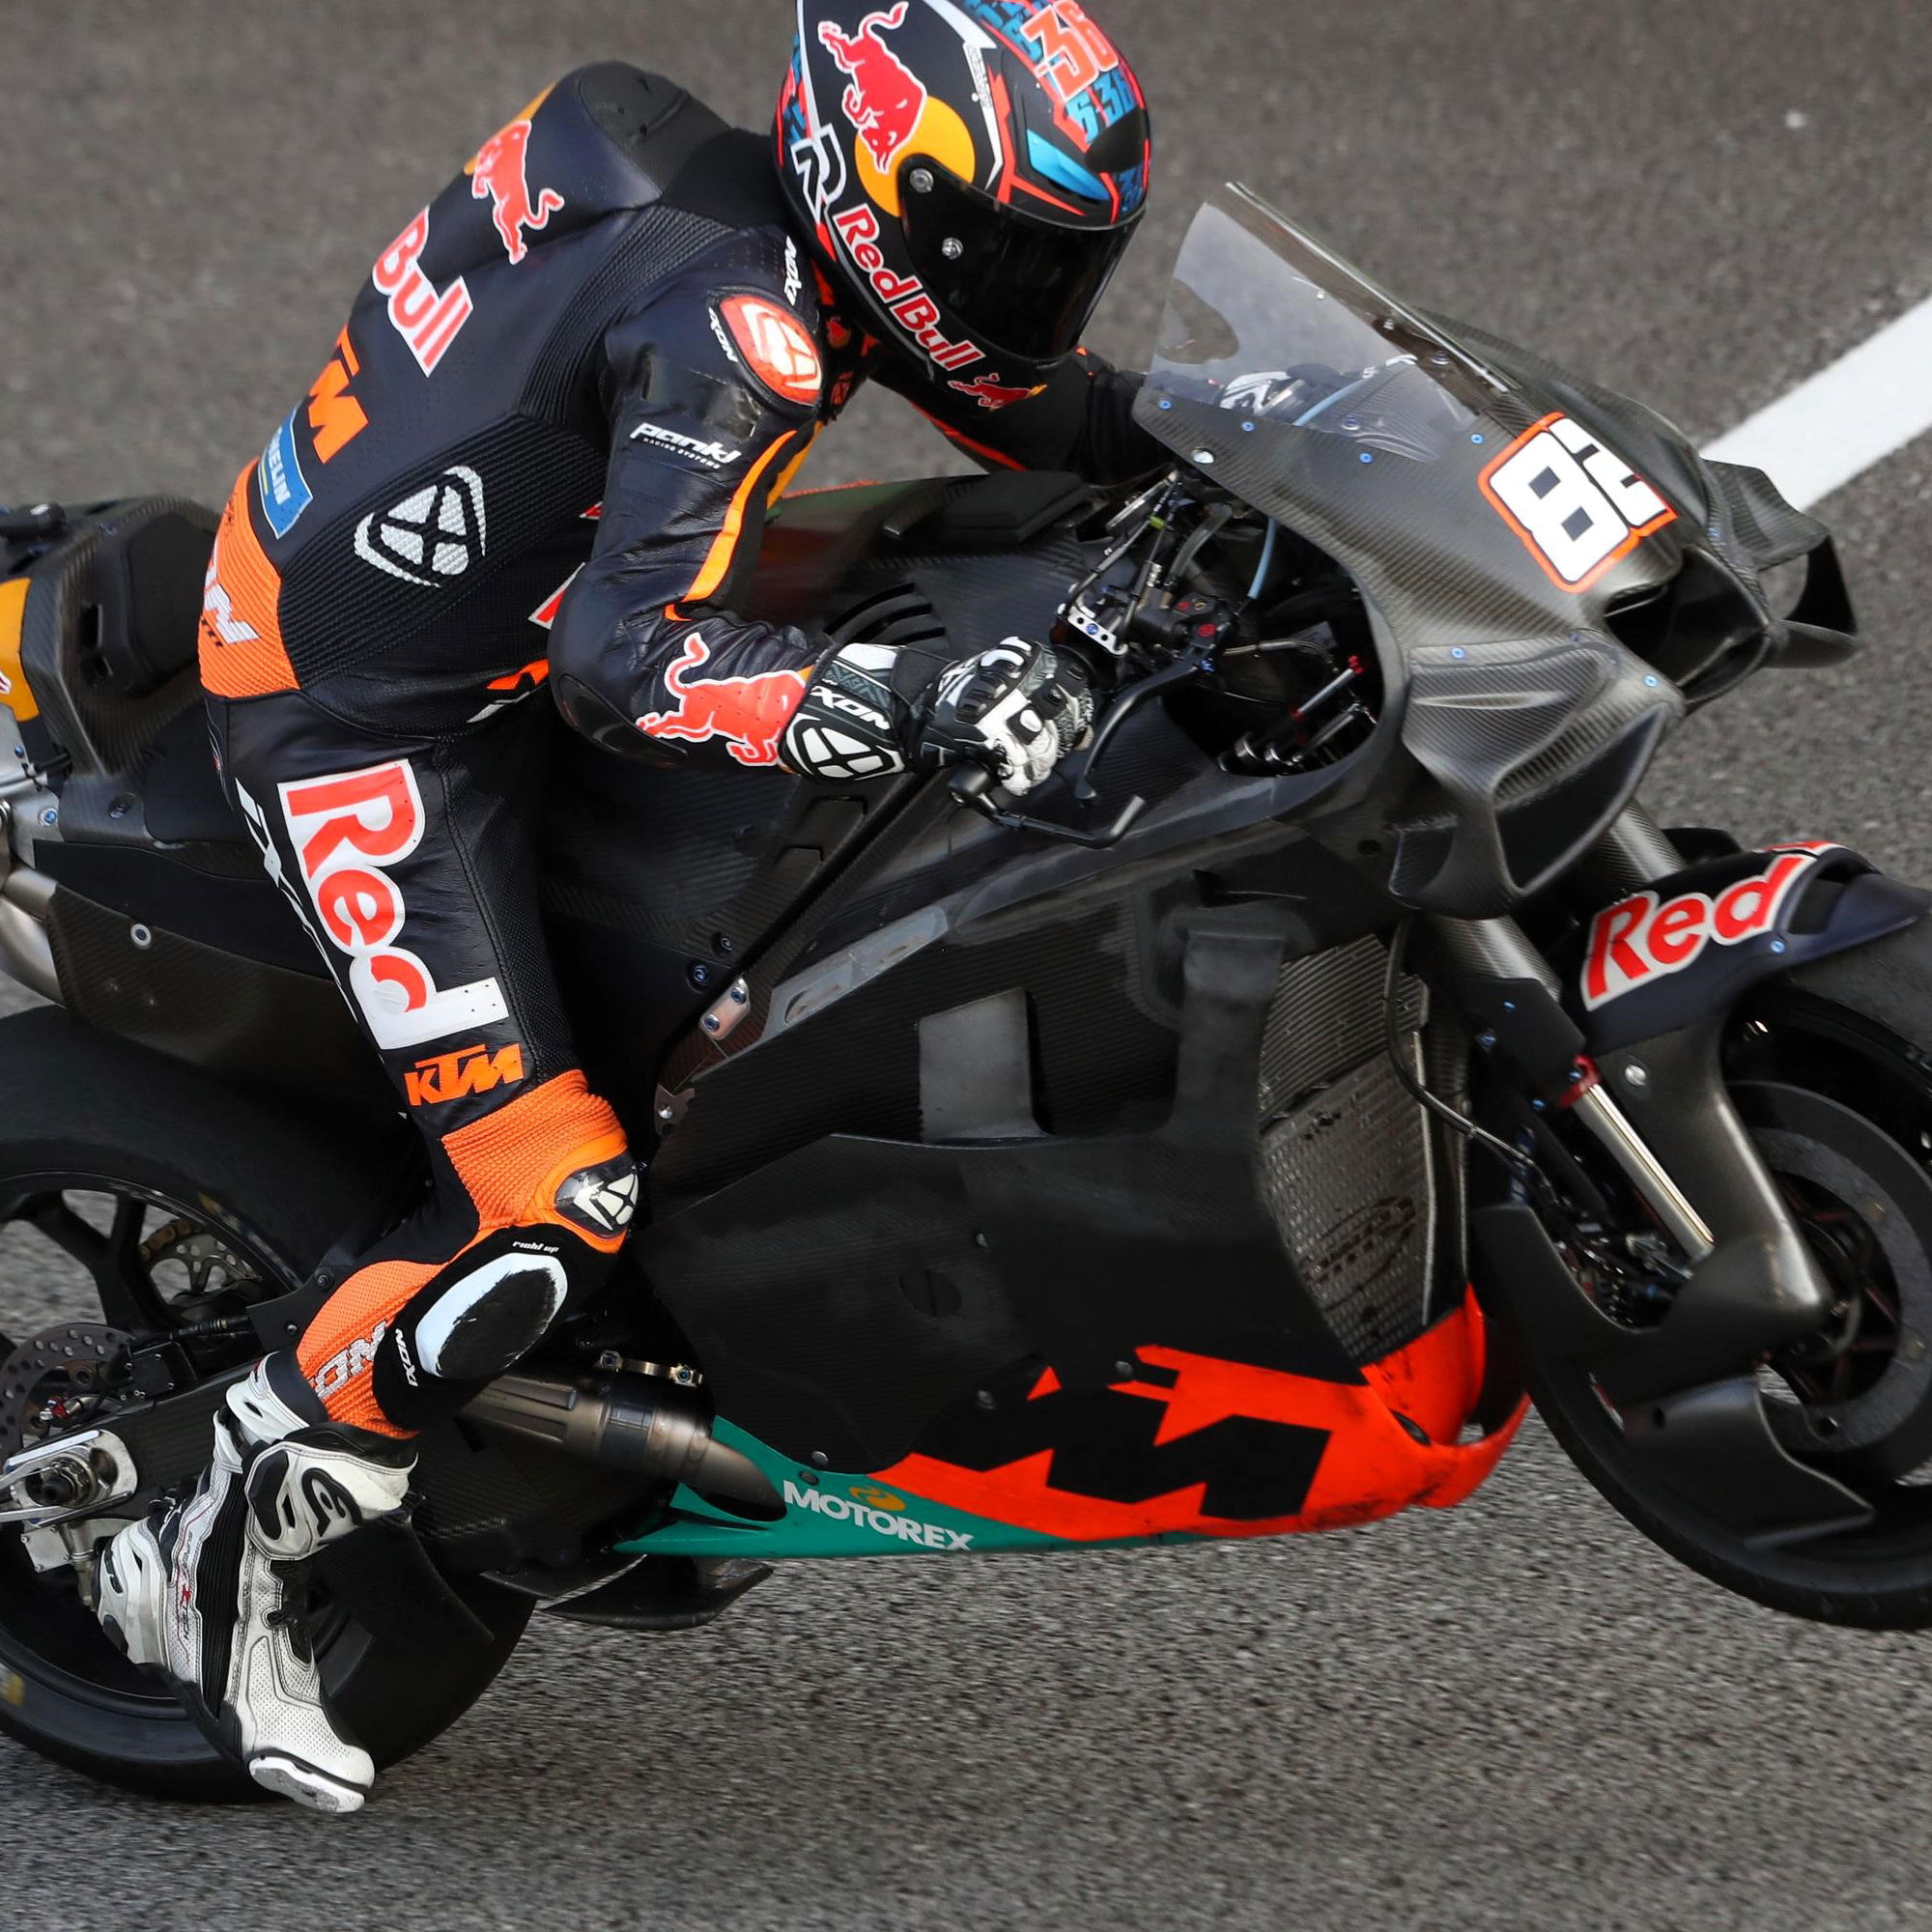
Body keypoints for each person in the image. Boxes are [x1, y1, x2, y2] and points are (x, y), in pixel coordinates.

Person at [94, 0, 1158, 1814]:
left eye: (1064, 260)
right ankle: (210, 1532)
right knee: (547, 1199)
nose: (1022, 292)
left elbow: (1025, 392)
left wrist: (1302, 460)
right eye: (997, 249)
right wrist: (905, 703)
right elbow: (621, 658)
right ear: (868, 189)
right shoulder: (738, 334)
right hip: (357, 721)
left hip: (429, 604)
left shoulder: (661, 143)